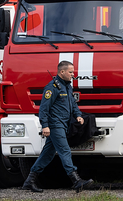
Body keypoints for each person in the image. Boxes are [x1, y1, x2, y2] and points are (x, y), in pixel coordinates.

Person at [22, 61, 96, 193]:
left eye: (73, 72)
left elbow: (72, 103)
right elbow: (44, 109)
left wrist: (78, 115)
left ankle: (30, 181)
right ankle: (76, 181)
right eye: (70, 72)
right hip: (55, 125)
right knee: (65, 150)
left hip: (64, 124)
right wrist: (45, 126)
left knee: (47, 154)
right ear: (62, 72)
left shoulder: (67, 86)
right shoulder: (52, 88)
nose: (73, 75)